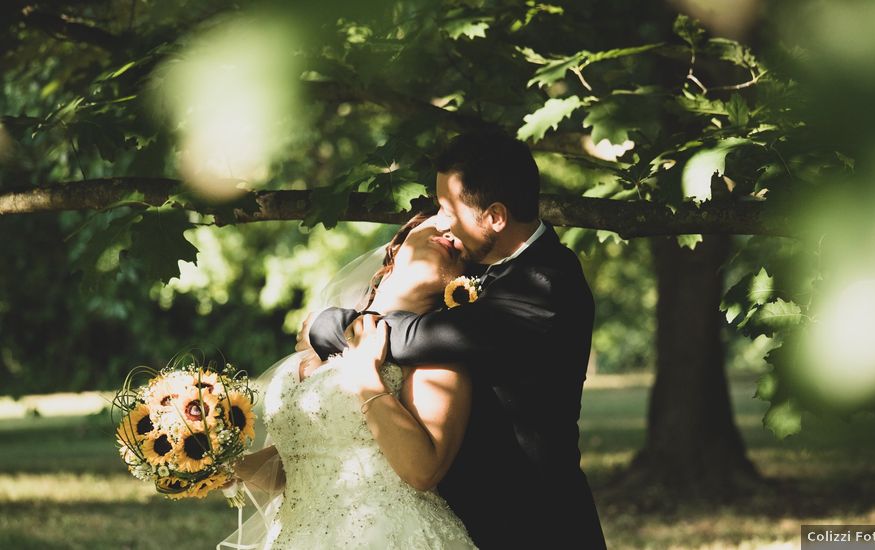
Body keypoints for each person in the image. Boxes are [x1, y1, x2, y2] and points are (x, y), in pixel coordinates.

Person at [301, 130, 607, 549]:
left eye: (448, 209)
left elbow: (415, 337)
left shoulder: (545, 287)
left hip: (533, 524)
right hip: (462, 520)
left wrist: (330, 325)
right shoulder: (478, 264)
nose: (440, 221)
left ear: (496, 216)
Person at [228, 212, 478, 549]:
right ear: (399, 243)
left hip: (388, 536)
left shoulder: (435, 348)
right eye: (442, 217)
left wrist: (366, 374)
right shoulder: (322, 331)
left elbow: (423, 471)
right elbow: (302, 457)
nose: (452, 233)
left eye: (465, 240)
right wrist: (227, 466)